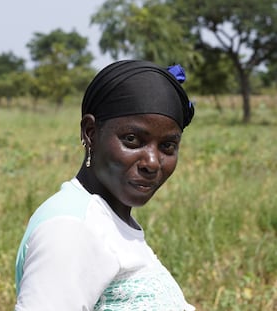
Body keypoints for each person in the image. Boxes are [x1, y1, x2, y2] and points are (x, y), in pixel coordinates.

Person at [15, 60, 195, 310]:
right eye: (132, 140)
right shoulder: (71, 228)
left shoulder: (109, 220)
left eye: (167, 146)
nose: (152, 162)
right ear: (90, 132)